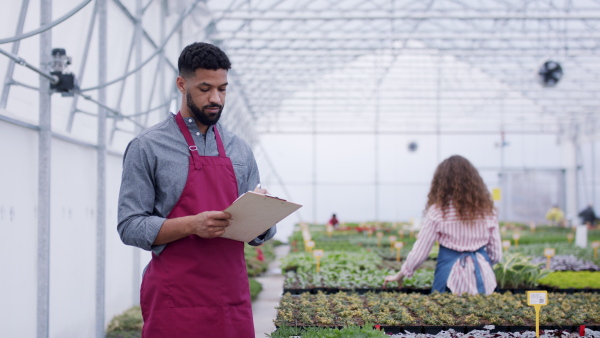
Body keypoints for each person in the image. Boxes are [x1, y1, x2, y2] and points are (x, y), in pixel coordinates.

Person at [117, 42, 276, 337]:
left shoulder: (239, 150)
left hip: (231, 299)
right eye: (205, 89)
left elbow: (257, 236)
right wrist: (193, 224)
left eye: (222, 89)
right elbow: (130, 226)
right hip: (174, 300)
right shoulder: (148, 146)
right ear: (182, 84)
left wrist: (264, 216)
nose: (215, 98)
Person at [383, 155, 502, 295]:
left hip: (450, 278)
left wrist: (401, 274)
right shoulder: (487, 211)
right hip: (483, 278)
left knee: (448, 314)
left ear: (442, 182)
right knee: (485, 315)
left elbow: (421, 251)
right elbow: (496, 255)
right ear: (474, 181)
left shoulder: (438, 211)